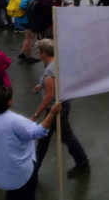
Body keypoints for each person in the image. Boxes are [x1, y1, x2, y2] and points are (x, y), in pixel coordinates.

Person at [0, 86, 62, 200]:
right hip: (21, 173)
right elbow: (40, 132)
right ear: (8, 102)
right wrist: (52, 113)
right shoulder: (14, 120)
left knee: (12, 195)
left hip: (4, 172)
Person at [30, 40, 90, 178]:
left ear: (45, 53)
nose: (37, 53)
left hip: (56, 109)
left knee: (50, 138)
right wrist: (42, 85)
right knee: (52, 138)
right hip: (61, 105)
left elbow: (49, 96)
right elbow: (51, 83)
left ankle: (82, 163)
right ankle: (82, 162)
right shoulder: (54, 63)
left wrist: (36, 114)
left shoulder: (49, 70)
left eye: (38, 51)